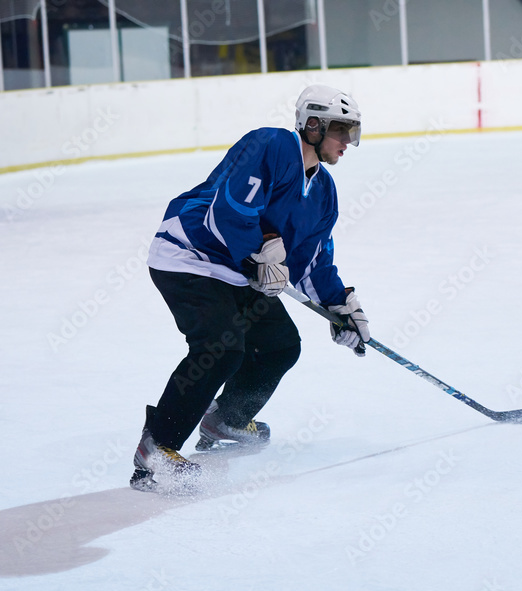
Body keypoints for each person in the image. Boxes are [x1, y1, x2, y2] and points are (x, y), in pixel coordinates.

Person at [131, 84, 371, 493]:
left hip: (240, 272)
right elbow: (229, 211)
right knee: (220, 348)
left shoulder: (324, 192)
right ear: (312, 125)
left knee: (280, 345)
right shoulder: (270, 145)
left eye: (352, 132)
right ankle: (157, 450)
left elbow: (312, 261)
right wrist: (259, 250)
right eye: (340, 130)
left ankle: (226, 418)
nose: (347, 142)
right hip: (189, 257)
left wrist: (340, 306)